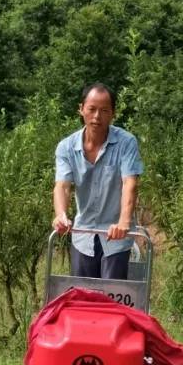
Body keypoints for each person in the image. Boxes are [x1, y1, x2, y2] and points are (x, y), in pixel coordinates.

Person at [52, 82, 143, 280]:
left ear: (113, 113)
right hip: (83, 235)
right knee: (82, 299)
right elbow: (63, 186)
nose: (96, 117)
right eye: (92, 109)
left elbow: (130, 183)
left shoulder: (126, 142)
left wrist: (124, 222)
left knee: (112, 299)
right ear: (81, 109)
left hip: (116, 237)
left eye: (104, 110)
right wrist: (61, 215)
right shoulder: (66, 148)